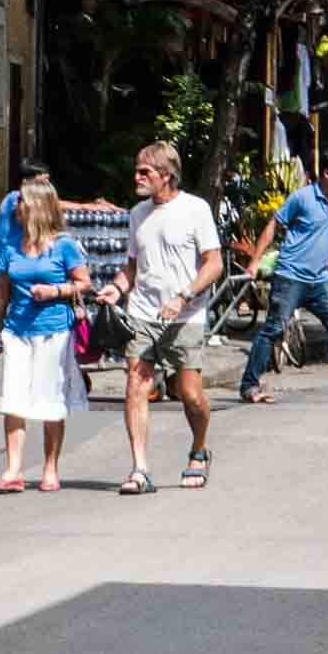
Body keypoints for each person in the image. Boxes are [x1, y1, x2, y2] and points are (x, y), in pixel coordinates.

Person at [101, 138, 222, 492]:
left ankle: (199, 450)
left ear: (166, 175)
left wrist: (184, 296)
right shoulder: (138, 214)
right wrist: (117, 288)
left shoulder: (195, 209)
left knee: (190, 395)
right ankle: (139, 469)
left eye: (145, 171)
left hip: (186, 315)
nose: (136, 177)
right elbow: (132, 268)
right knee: (136, 386)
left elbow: (214, 264)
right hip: (142, 313)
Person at [233, 150, 328, 410]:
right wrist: (255, 260)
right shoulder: (303, 197)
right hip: (290, 276)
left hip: (321, 279)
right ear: (327, 173)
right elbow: (273, 225)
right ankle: (249, 386)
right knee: (274, 330)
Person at [0, 178, 91, 492]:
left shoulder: (64, 245)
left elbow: (84, 283)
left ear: (37, 206)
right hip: (17, 331)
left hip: (54, 332)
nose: (16, 206)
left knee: (50, 400)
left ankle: (50, 468)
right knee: (12, 399)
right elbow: (1, 294)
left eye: (21, 201)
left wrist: (55, 290)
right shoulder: (11, 248)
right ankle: (13, 470)